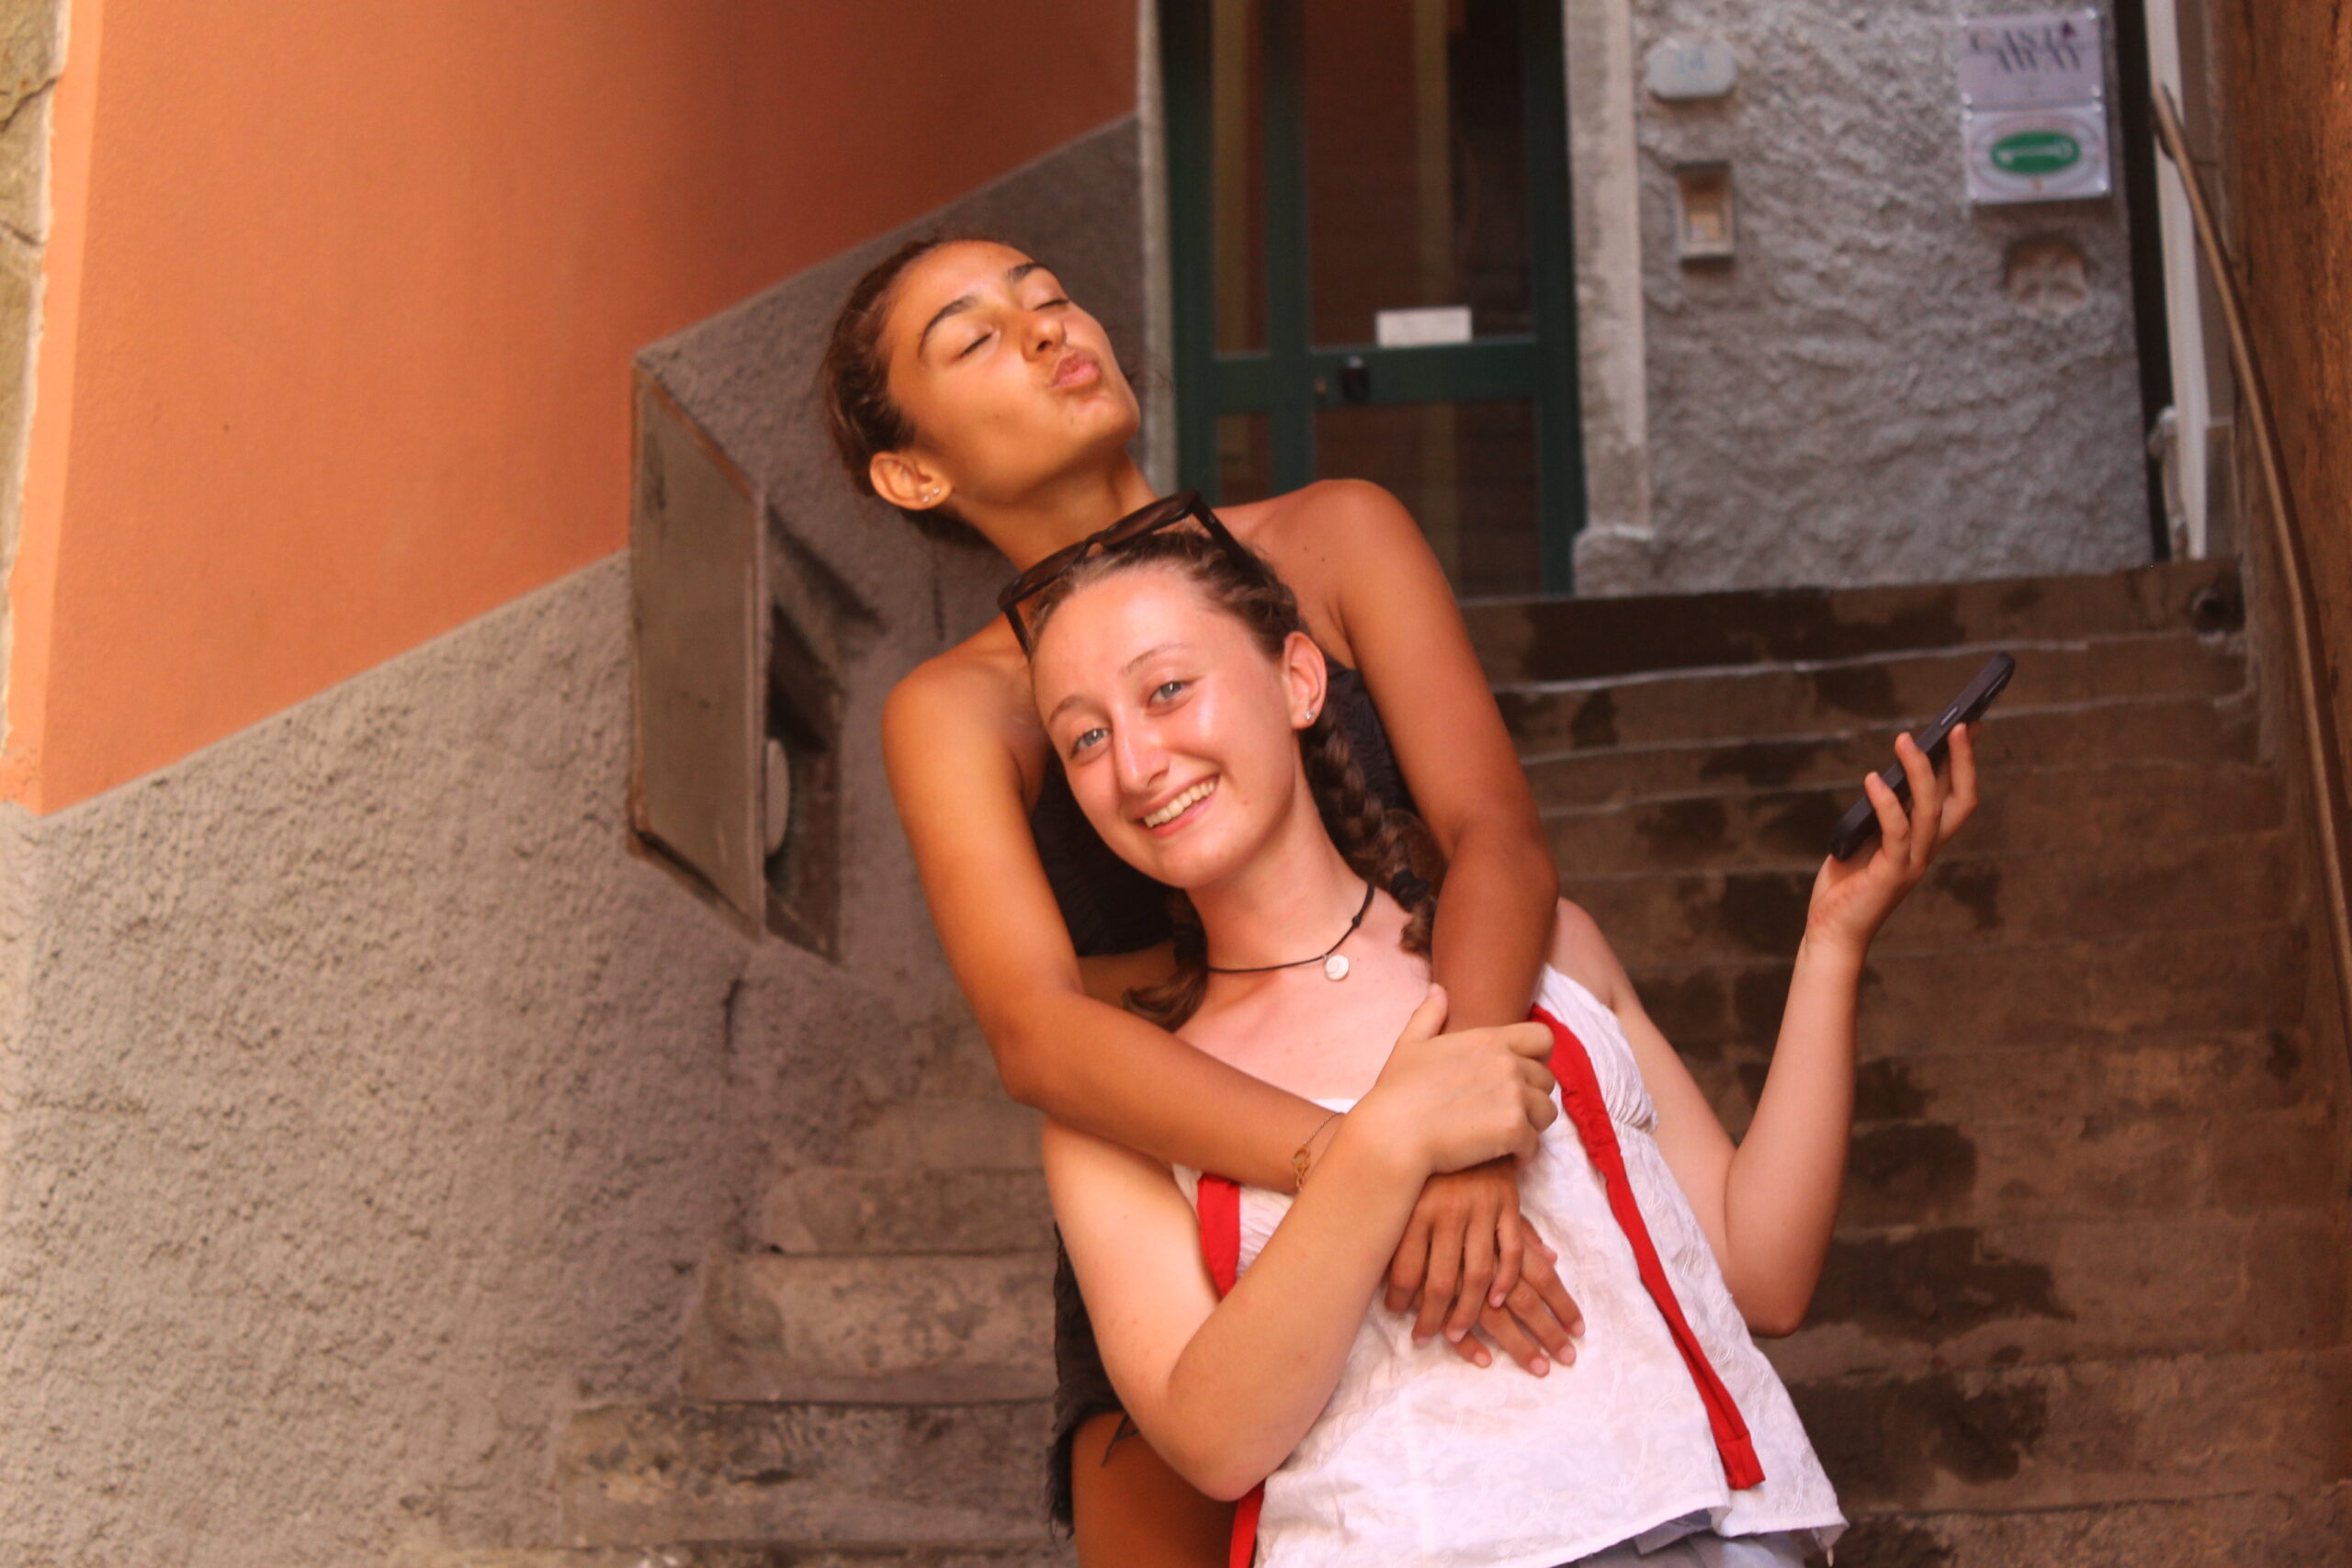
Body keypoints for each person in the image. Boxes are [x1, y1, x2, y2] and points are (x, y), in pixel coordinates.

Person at [823, 235, 1578, 1564]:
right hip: (1176, 1192)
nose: (1048, 328)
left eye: (1050, 297)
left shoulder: (1338, 536)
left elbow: (1496, 839)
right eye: (977, 335)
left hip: (1462, 1114)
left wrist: (1460, 1128)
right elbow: (1037, 1033)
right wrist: (1366, 1160)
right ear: (913, 471)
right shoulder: (957, 709)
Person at [1023, 526, 1977, 1566]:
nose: (1136, 763)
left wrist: (1832, 943)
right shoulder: (1121, 1111)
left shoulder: (1551, 950)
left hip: (1711, 1534)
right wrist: (1393, 1146)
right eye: (1085, 739)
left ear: (1299, 679)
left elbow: (1762, 1274)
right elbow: (1214, 1442)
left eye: (1166, 690)